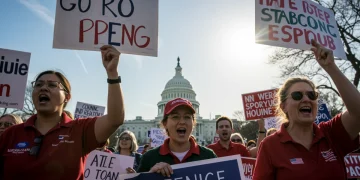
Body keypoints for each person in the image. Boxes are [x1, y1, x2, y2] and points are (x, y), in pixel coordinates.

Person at [0, 45, 125, 179]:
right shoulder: (10, 134)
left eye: (52, 85)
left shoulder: (80, 129)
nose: (44, 88)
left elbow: (115, 119)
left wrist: (112, 73)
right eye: (39, 84)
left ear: (67, 97)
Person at [253, 40, 360, 180]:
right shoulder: (270, 145)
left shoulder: (330, 134)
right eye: (297, 95)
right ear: (283, 106)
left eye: (311, 95)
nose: (306, 99)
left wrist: (331, 66)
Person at [137, 98, 217, 177]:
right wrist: (150, 176)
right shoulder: (148, 158)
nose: (182, 122)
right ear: (165, 123)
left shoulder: (209, 156)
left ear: (193, 123)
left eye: (187, 117)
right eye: (175, 117)